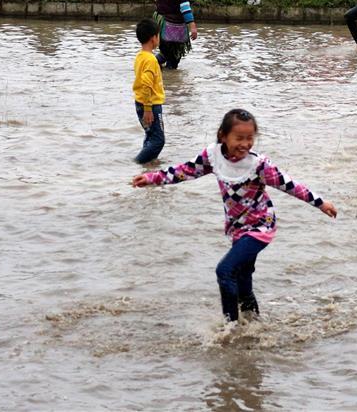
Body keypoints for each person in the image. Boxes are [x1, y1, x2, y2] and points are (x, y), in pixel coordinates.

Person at [131, 109, 337, 322]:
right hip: (237, 227)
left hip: (261, 226)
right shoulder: (212, 156)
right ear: (223, 136)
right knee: (242, 278)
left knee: (225, 271)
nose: (245, 144)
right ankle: (254, 326)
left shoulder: (258, 165)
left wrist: (321, 203)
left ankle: (230, 328)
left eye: (250, 138)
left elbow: (290, 185)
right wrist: (152, 178)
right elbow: (184, 171)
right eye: (239, 138)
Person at [154, 0, 198, 69]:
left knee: (166, 53)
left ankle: (154, 67)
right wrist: (192, 25)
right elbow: (185, 7)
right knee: (173, 59)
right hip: (172, 25)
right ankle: (171, 84)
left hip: (161, 23)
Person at [132, 19, 165, 164]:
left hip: (140, 102)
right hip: (150, 105)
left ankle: (149, 166)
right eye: (158, 35)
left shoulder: (140, 56)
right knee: (158, 140)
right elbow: (146, 84)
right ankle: (138, 162)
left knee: (150, 135)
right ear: (153, 38)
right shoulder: (151, 60)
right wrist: (148, 109)